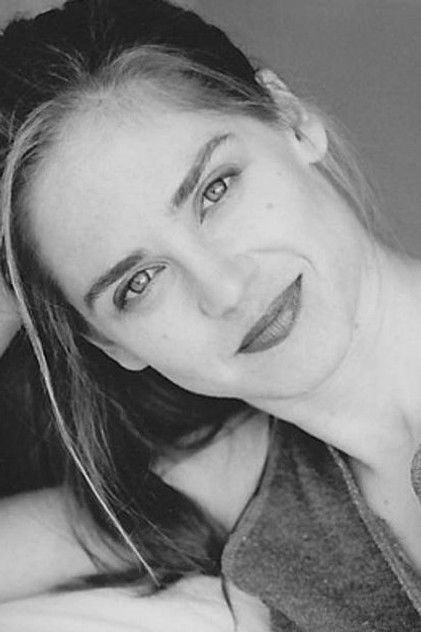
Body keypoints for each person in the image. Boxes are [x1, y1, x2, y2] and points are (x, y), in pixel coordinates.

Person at [0, 0, 421, 630]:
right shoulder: (244, 489)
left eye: (215, 190)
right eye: (139, 283)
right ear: (108, 343)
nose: (223, 289)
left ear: (290, 119)